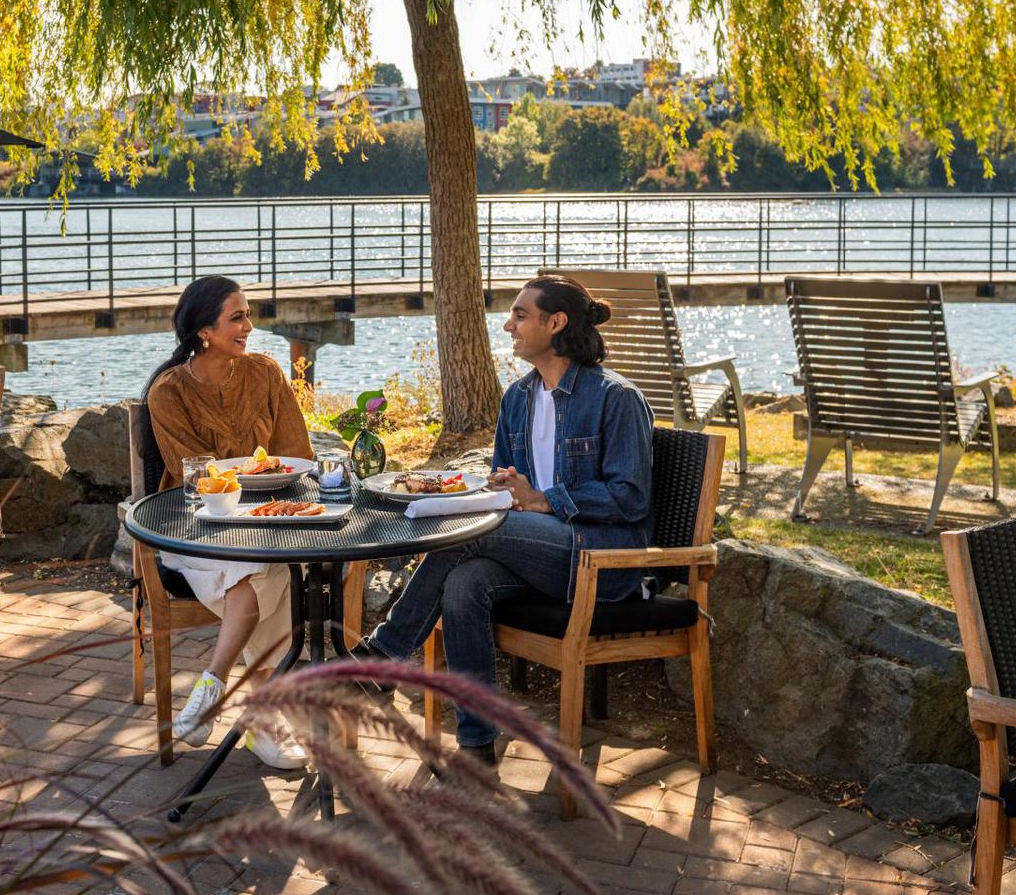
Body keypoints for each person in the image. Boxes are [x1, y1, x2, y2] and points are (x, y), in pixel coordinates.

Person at [352, 274, 653, 764]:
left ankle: (382, 659)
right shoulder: (517, 397)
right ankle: (476, 745)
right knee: (465, 583)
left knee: (468, 534)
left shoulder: (615, 398)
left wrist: (546, 499)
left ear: (555, 323)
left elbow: (630, 497)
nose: (508, 325)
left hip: (598, 560)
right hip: (536, 553)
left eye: (520, 315)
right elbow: (506, 482)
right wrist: (502, 490)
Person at [145, 275, 313, 771]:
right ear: (204, 331)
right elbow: (196, 478)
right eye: (237, 318)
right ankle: (260, 719)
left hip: (262, 525)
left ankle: (214, 691)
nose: (249, 326)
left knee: (268, 565)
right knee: (271, 571)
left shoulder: (265, 374)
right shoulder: (168, 392)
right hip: (192, 529)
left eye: (248, 315)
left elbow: (295, 454)